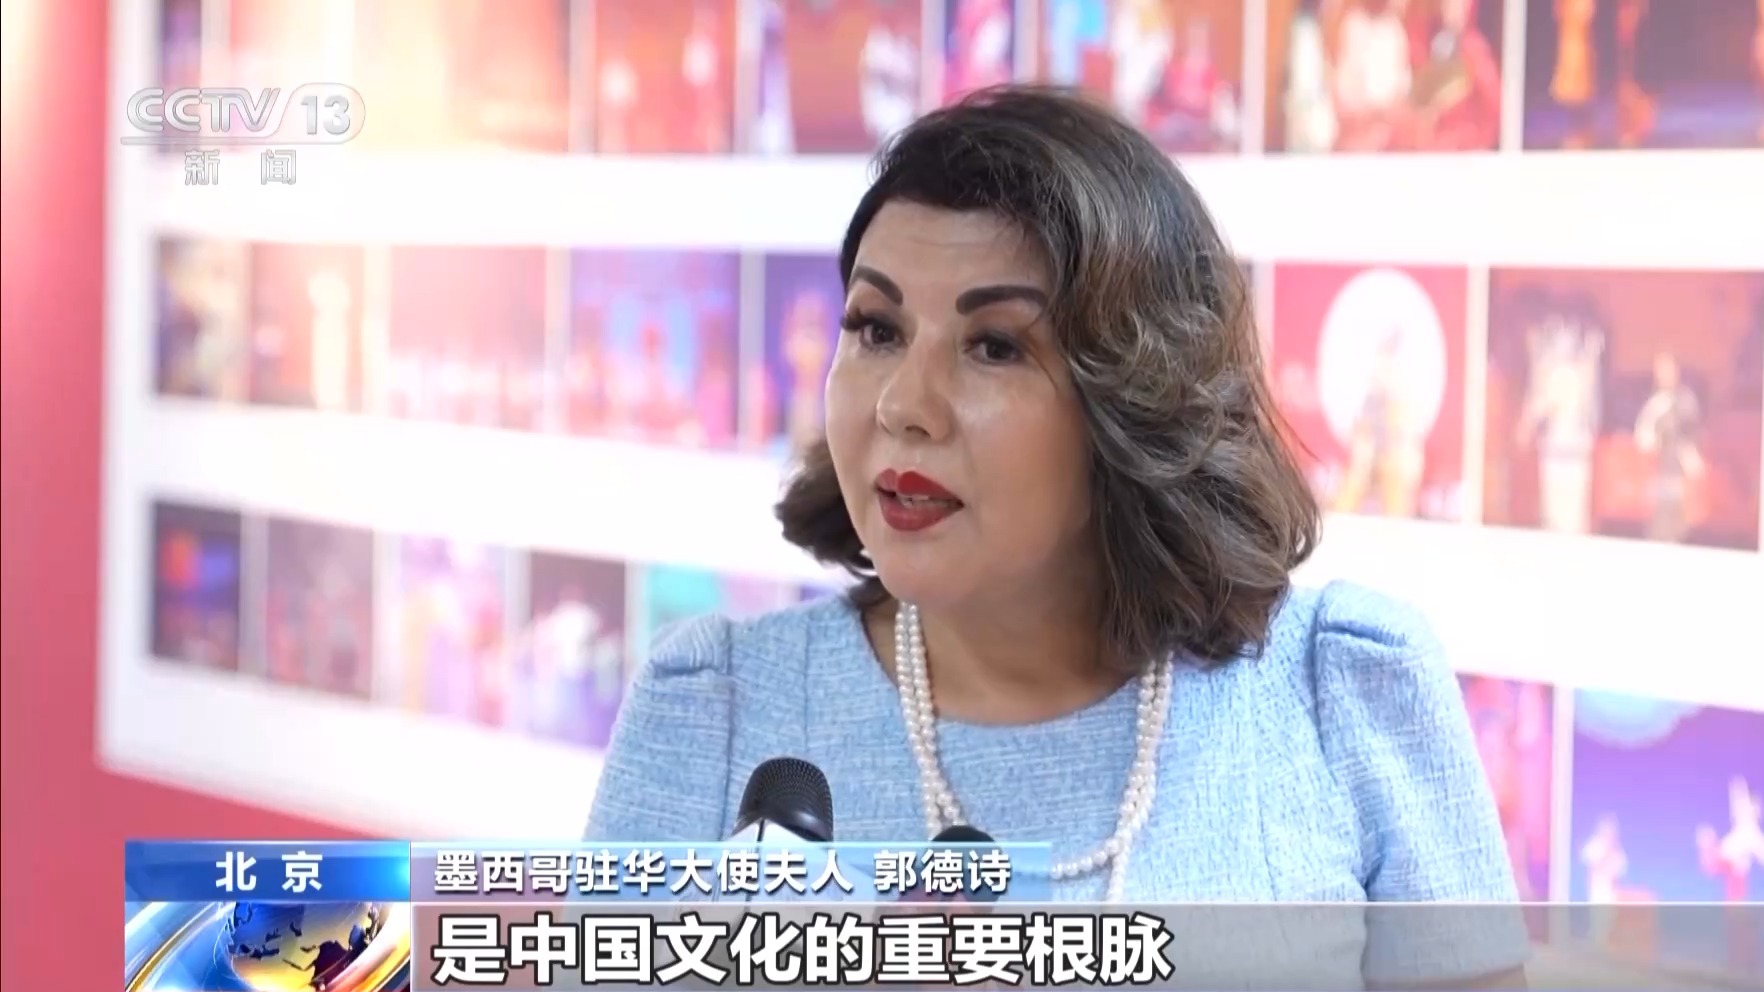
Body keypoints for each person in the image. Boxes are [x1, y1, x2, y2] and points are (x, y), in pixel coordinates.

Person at [586, 86, 1526, 988]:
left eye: (995, 346)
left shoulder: (1346, 693)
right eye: (876, 329)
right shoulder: (711, 713)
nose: (904, 405)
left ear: (1136, 401)